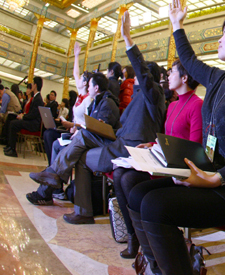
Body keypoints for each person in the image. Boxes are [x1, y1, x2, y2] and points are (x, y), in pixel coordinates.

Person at [125, 0, 225, 274]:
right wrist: (177, 25)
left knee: (153, 204)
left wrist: (215, 179)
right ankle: (157, 267)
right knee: (136, 190)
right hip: (208, 173)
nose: (220, 38)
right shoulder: (218, 79)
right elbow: (188, 59)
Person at [28, 12, 166, 223]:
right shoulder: (138, 98)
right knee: (82, 149)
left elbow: (144, 76)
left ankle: (57, 177)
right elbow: (122, 127)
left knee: (82, 140)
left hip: (131, 148)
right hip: (118, 141)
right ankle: (77, 205)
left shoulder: (153, 94)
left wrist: (128, 38)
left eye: (139, 74)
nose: (135, 76)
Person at [113, 58, 203, 259]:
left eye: (172, 72)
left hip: (179, 169)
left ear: (185, 77)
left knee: (128, 179)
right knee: (119, 172)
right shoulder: (172, 106)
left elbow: (195, 147)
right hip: (165, 163)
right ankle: (134, 235)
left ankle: (147, 241)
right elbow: (169, 140)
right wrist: (152, 145)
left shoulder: (197, 105)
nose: (168, 76)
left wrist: (166, 156)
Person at [26, 73, 121, 209]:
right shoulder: (98, 101)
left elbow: (104, 131)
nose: (88, 88)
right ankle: (47, 187)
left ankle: (49, 181)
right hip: (93, 141)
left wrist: (87, 127)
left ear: (96, 87)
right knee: (67, 145)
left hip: (103, 145)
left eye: (90, 86)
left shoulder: (108, 103)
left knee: (79, 138)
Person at [41, 43, 93, 167]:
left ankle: (53, 169)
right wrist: (76, 56)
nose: (78, 79)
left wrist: (73, 125)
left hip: (79, 133)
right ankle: (51, 167)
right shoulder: (80, 95)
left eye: (81, 78)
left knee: (50, 136)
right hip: (72, 129)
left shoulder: (88, 100)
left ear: (86, 83)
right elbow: (75, 73)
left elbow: (89, 124)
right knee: (48, 134)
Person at [5, 77, 45, 157]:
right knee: (12, 121)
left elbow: (33, 114)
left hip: (34, 124)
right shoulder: (36, 97)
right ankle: (10, 146)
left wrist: (23, 117)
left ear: (35, 85)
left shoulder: (38, 99)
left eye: (33, 83)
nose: (31, 85)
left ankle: (13, 150)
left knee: (14, 124)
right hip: (31, 121)